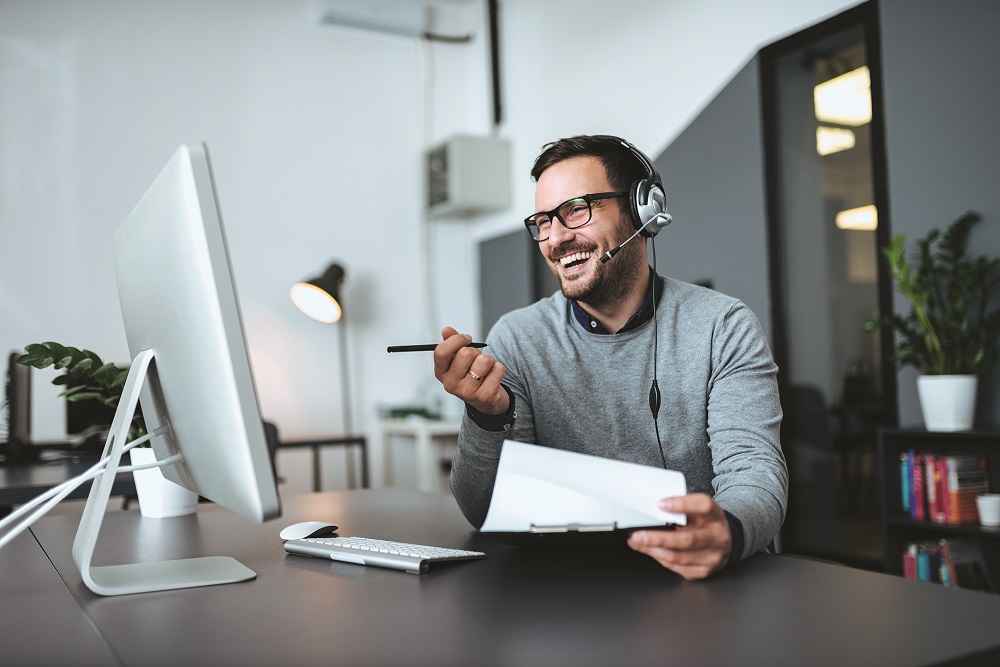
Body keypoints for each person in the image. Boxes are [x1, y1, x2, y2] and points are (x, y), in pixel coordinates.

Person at [433, 134, 787, 580]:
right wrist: (487, 416)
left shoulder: (723, 326)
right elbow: (484, 511)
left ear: (642, 211)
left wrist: (727, 531)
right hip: (567, 593)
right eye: (543, 221)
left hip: (696, 583)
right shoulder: (517, 338)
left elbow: (755, 473)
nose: (555, 238)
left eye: (576, 210)